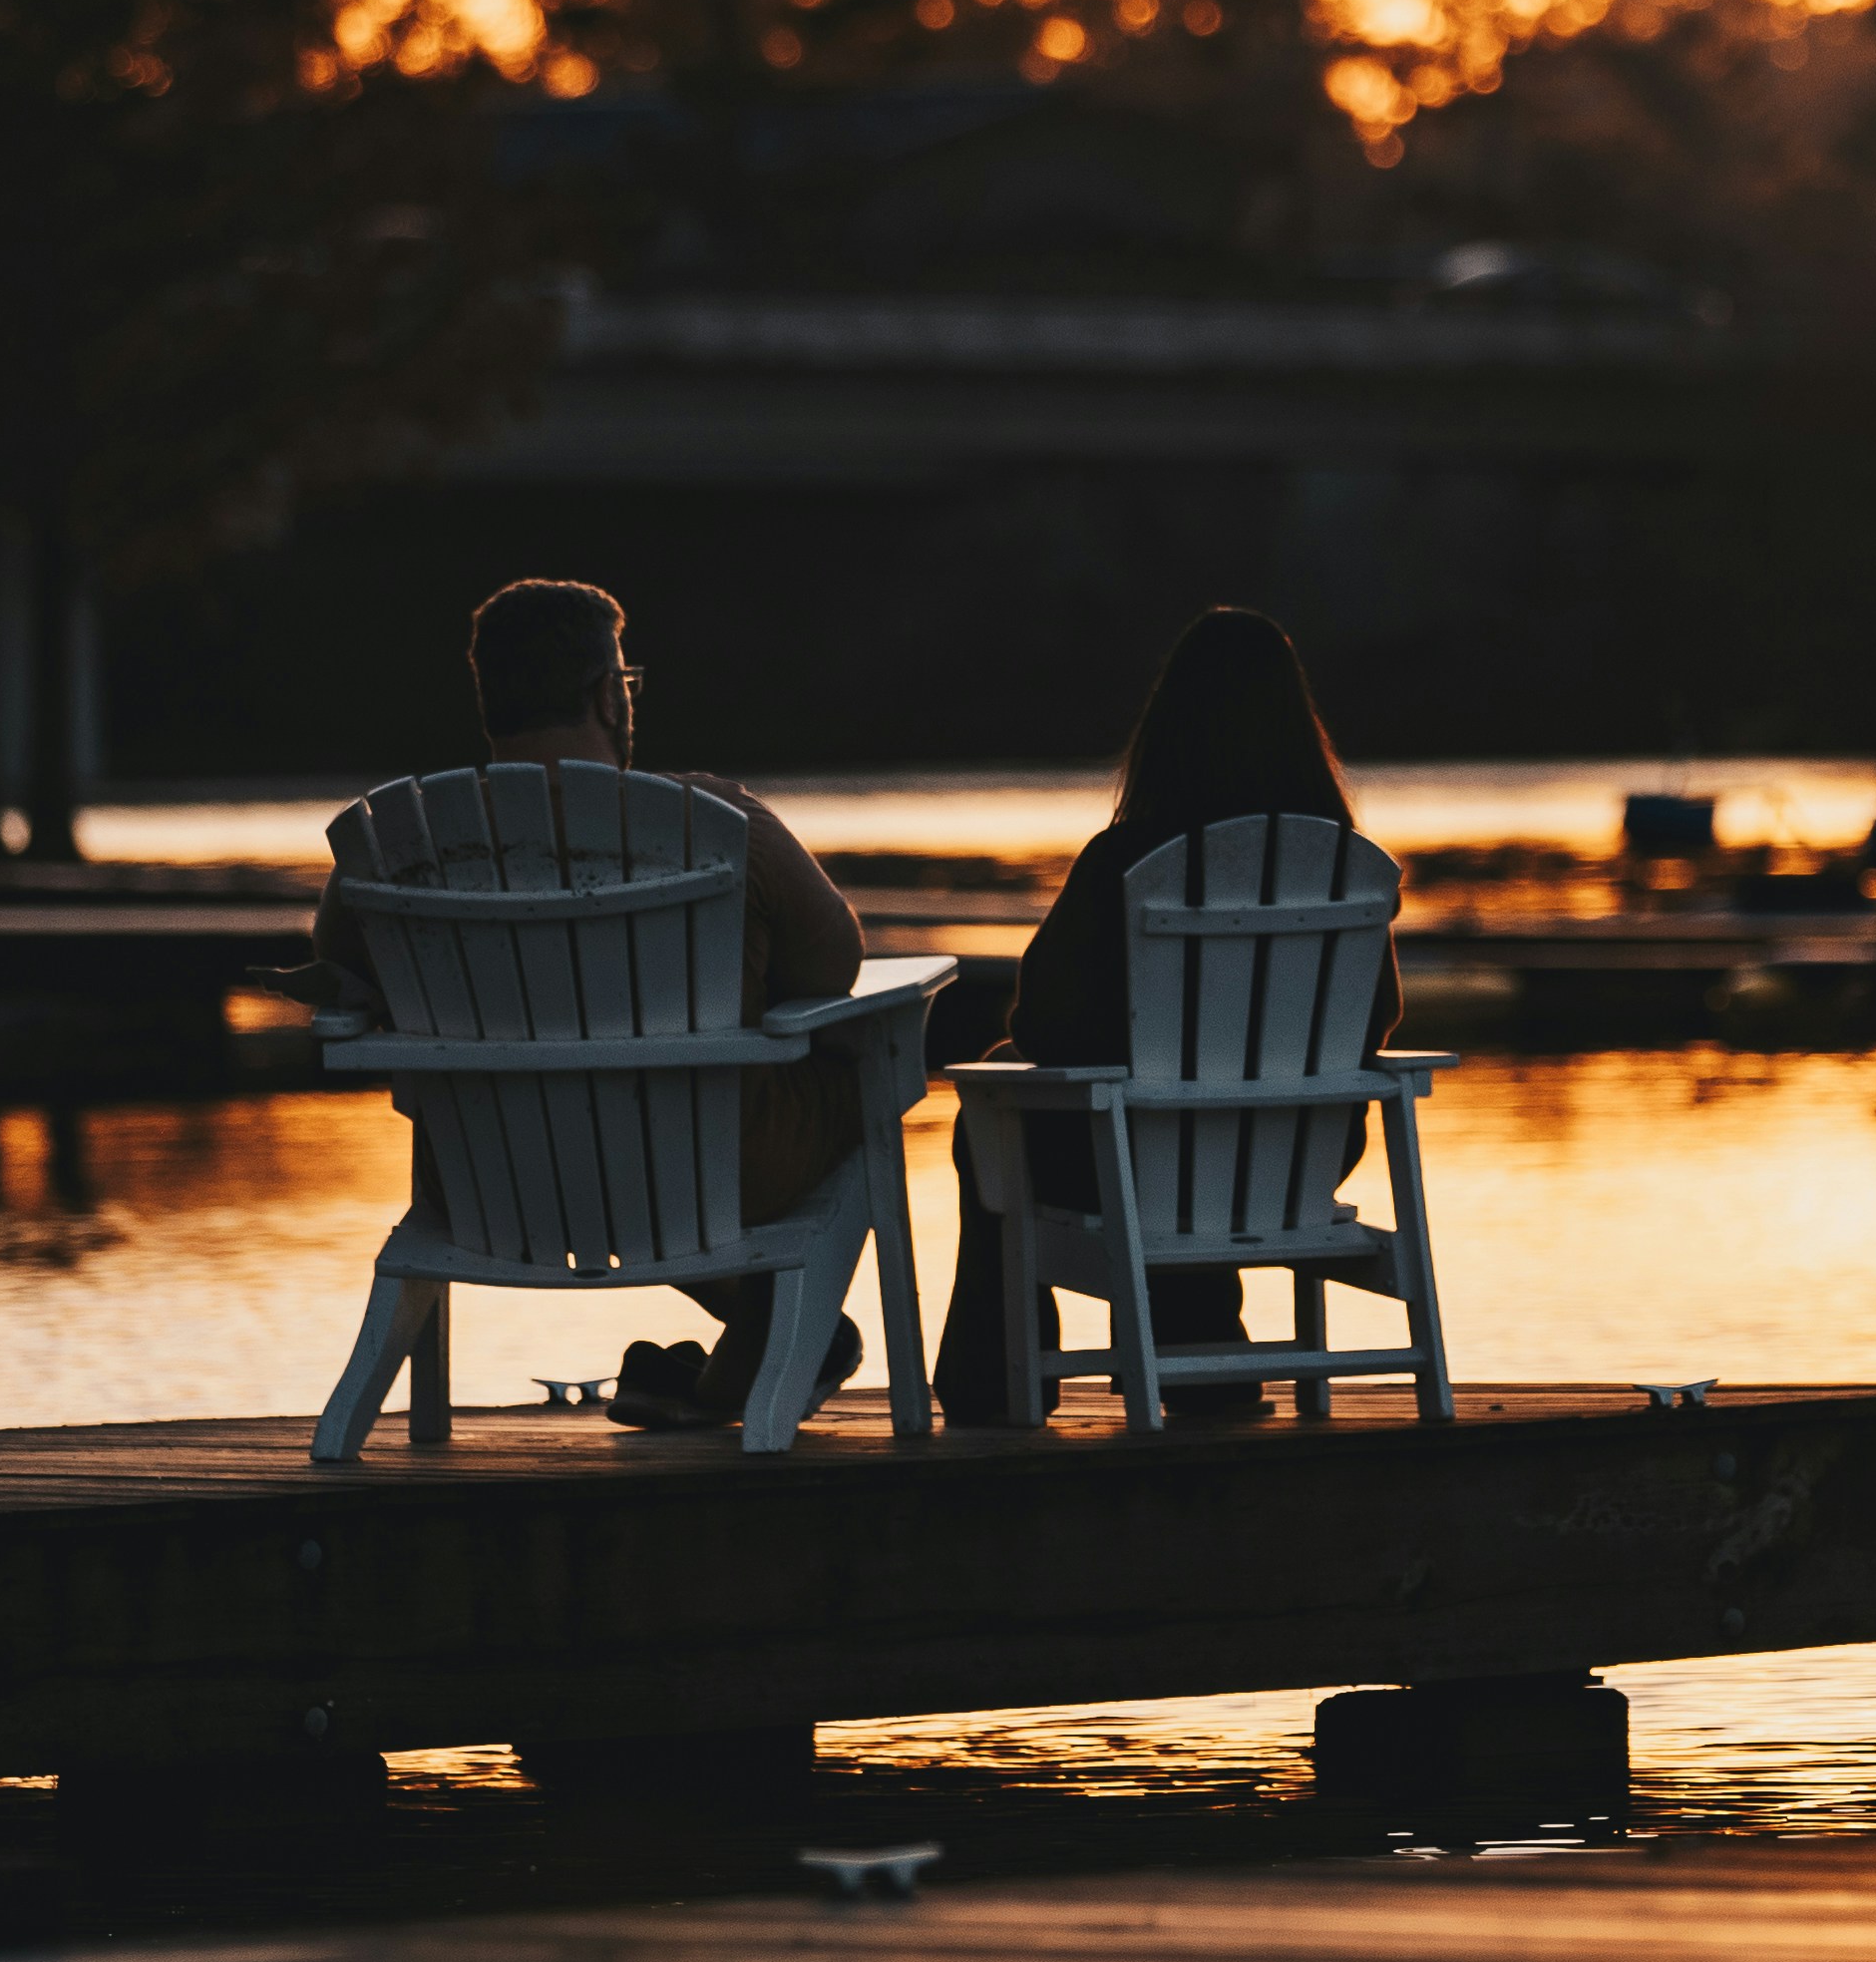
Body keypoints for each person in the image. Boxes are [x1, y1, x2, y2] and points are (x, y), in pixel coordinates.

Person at [315, 577, 899, 1435]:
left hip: (486, 1177)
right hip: (703, 1167)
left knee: (610, 1145)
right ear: (603, 695)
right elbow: (834, 964)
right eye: (624, 682)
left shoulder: (397, 839)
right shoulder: (717, 820)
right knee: (869, 1071)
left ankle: (753, 1352)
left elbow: (337, 966)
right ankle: (781, 1342)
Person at [937, 604, 1382, 1428]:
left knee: (991, 1106)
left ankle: (996, 1378)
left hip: (1140, 1157)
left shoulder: (1124, 860)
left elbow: (1046, 1024)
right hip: (1299, 1159)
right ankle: (1201, 1345)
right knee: (1179, 1138)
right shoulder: (1344, 860)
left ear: (1166, 729)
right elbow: (1379, 1016)